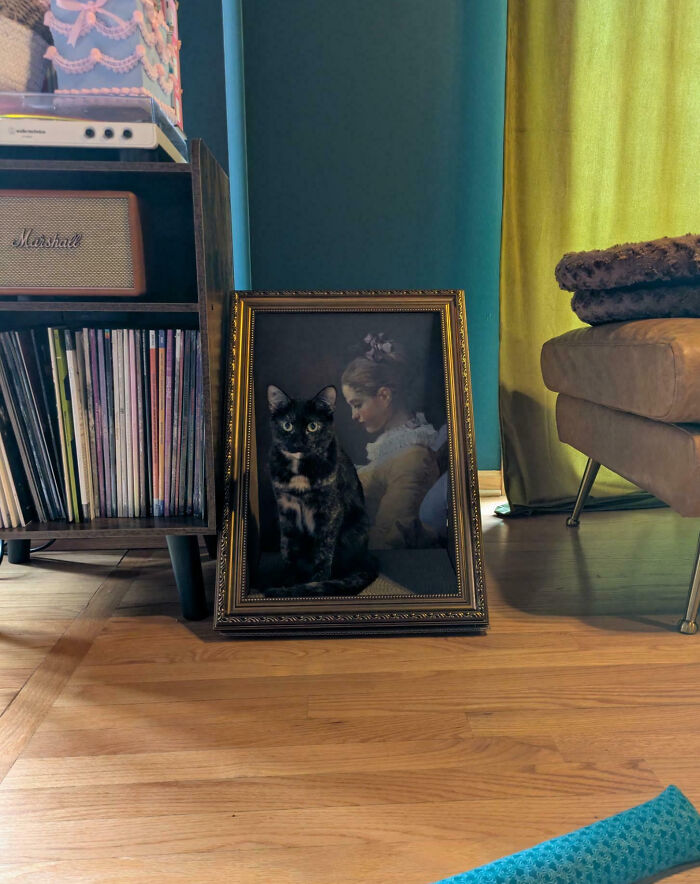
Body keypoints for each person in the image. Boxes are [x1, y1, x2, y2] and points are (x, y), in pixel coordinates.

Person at [341, 333, 440, 549]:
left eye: (357, 404)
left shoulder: (412, 457)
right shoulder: (392, 449)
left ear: (384, 396)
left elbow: (388, 538)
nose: (353, 416)